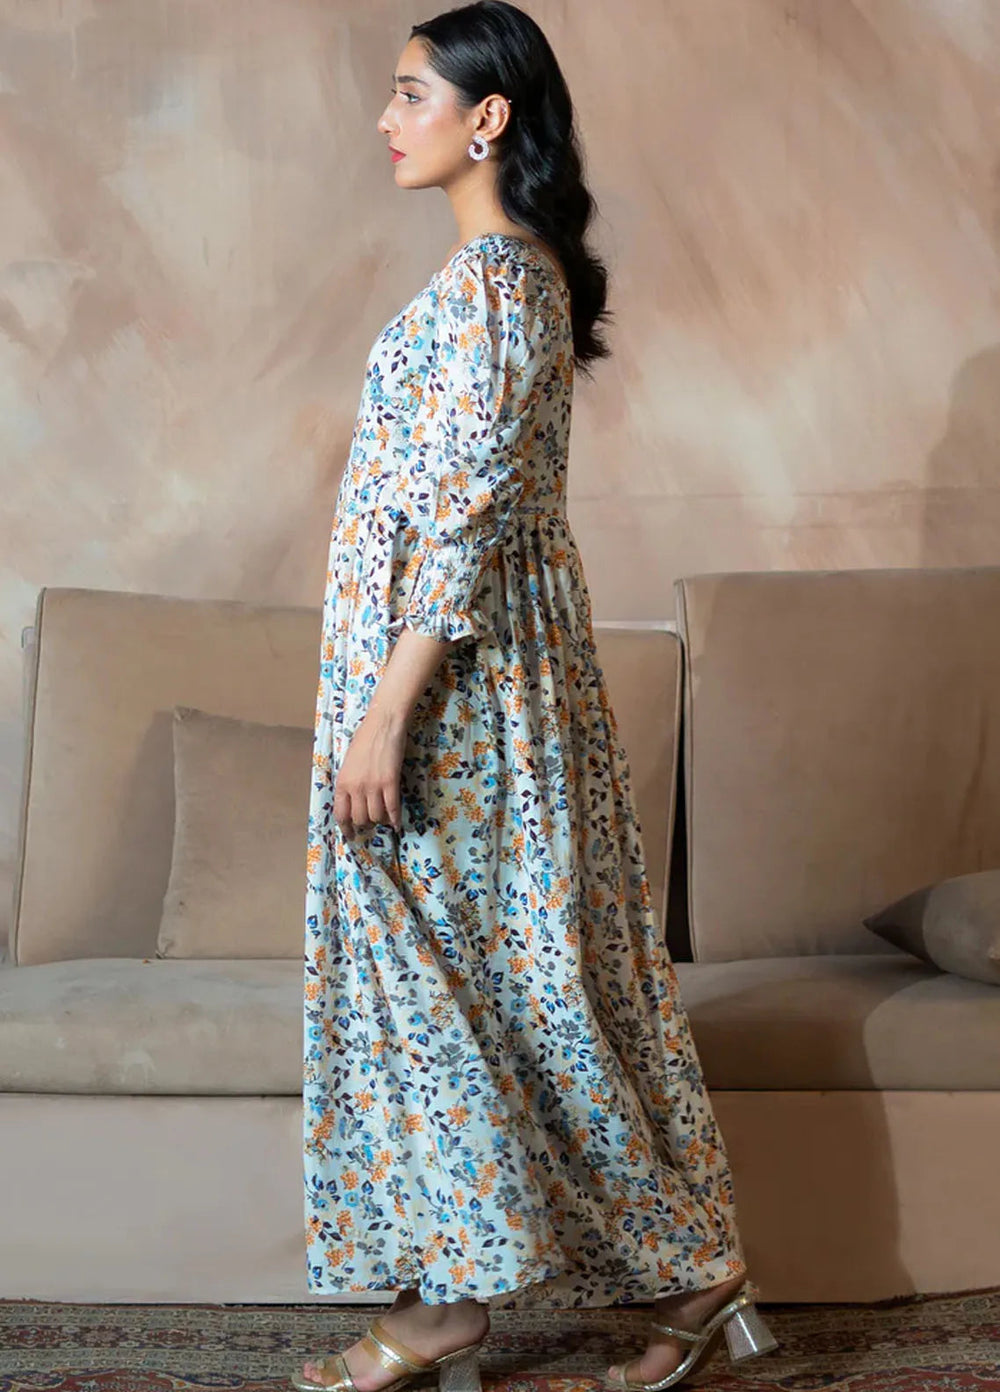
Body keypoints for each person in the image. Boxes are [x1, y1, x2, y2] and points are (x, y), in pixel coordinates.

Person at [295, 5, 778, 1391]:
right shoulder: (492, 281)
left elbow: (462, 523)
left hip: (458, 699)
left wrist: (387, 715)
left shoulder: (502, 286)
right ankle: (645, 1277)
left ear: (487, 116)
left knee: (478, 984)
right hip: (444, 681)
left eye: (411, 94)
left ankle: (483, 1301)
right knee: (485, 984)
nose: (387, 120)